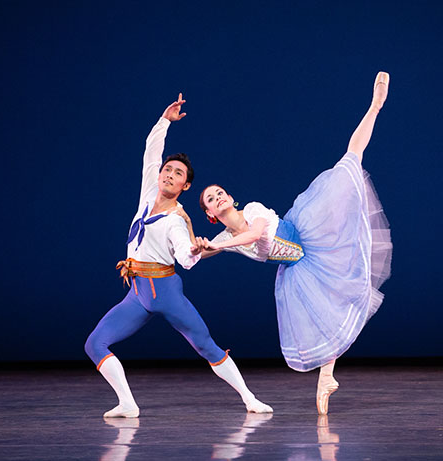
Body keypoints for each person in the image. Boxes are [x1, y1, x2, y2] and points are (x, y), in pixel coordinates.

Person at [196, 73, 393, 415]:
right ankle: (326, 378)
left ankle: (374, 107)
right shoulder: (222, 238)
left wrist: (216, 248)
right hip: (296, 270)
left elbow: (256, 235)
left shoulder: (252, 210)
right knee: (325, 320)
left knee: (349, 162)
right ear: (211, 214)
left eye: (219, 191)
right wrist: (194, 244)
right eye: (211, 199)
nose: (218, 196)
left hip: (311, 235)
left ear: (229, 197)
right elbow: (191, 257)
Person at [84, 94, 273, 418]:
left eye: (178, 174)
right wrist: (164, 121)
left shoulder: (177, 220)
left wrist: (198, 248)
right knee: (94, 344)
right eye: (168, 170)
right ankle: (128, 404)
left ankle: (249, 398)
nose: (170, 175)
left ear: (185, 186)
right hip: (138, 294)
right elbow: (150, 153)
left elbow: (186, 259)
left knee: (206, 346)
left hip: (166, 291)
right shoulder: (147, 195)